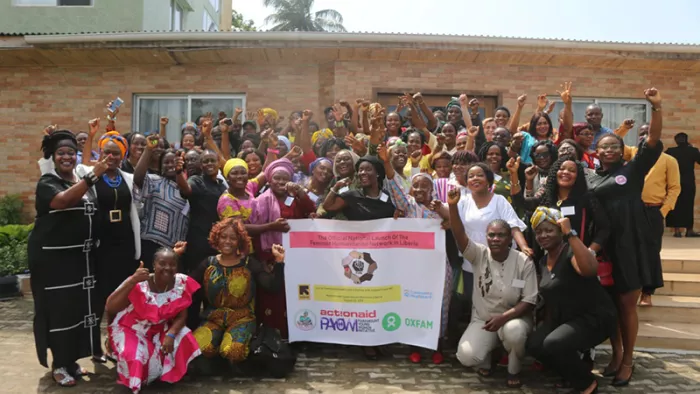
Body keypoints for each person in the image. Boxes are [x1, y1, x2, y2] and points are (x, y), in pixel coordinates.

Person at [586, 88, 664, 386]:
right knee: (609, 306)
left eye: (613, 147)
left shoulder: (633, 171)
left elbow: (653, 141)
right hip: (603, 248)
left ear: (622, 151)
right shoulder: (591, 177)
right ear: (596, 151)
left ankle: (628, 360)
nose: (608, 150)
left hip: (630, 245)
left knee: (626, 304)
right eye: (603, 147)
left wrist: (655, 108)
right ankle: (616, 354)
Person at [30, 131, 109, 387]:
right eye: (60, 153)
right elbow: (62, 202)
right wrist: (93, 175)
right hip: (55, 263)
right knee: (60, 312)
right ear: (52, 157)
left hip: (81, 260)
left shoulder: (78, 180)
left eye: (70, 153)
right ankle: (58, 365)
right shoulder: (48, 182)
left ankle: (71, 360)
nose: (66, 157)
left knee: (79, 311)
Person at [448, 189, 537, 389]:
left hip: (514, 319)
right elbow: (460, 235)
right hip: (484, 319)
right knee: (466, 356)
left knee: (514, 332)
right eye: (491, 235)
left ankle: (513, 369)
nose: (495, 239)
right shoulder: (479, 254)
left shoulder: (524, 262)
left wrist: (503, 318)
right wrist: (453, 207)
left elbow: (529, 300)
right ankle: (490, 354)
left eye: (501, 235)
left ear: (510, 239)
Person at [526, 207, 616, 394]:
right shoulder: (543, 261)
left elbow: (590, 270)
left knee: (554, 343)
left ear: (560, 231)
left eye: (549, 230)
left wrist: (571, 234)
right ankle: (570, 372)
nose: (543, 235)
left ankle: (586, 383)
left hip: (594, 317)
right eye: (539, 232)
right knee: (534, 345)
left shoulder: (571, 252)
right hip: (565, 317)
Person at [379, 144, 451, 365]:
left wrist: (441, 210)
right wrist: (385, 161)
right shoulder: (407, 206)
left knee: (438, 304)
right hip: (412, 266)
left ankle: (437, 346)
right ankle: (415, 346)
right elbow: (394, 186)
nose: (419, 189)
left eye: (424, 186)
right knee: (413, 303)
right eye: (416, 186)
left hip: (437, 265)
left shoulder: (440, 205)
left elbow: (453, 221)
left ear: (432, 190)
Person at [106, 244, 200, 394]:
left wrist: (171, 334)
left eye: (172, 264)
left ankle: (160, 375)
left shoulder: (180, 283)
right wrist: (132, 281)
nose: (167, 268)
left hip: (158, 330)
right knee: (137, 357)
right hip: (131, 329)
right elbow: (110, 307)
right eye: (162, 263)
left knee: (184, 335)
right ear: (154, 265)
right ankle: (130, 378)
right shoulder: (139, 282)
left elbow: (182, 316)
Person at [192, 219, 285, 366]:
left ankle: (226, 353)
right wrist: (176, 257)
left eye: (233, 238)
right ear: (217, 238)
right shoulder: (208, 263)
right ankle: (215, 352)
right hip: (213, 317)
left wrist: (279, 262)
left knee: (233, 351)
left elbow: (272, 286)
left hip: (242, 317)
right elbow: (188, 286)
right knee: (198, 348)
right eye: (223, 237)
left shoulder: (249, 263)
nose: (227, 241)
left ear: (240, 241)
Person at [250, 158, 316, 339]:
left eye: (284, 178)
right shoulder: (260, 201)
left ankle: (297, 333)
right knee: (273, 297)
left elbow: (310, 209)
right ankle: (272, 337)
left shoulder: (294, 199)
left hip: (296, 257)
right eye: (276, 178)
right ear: (269, 180)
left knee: (294, 296)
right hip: (270, 259)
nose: (280, 182)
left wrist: (301, 193)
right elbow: (256, 233)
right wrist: (264, 259)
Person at [617, 124, 681, 306]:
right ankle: (633, 288)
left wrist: (663, 211)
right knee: (630, 248)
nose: (644, 137)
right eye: (641, 134)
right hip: (632, 210)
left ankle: (647, 292)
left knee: (651, 251)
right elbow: (615, 144)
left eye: (648, 133)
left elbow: (675, 188)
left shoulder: (669, 160)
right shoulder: (632, 154)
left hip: (654, 210)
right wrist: (623, 129)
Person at [134, 136, 189, 270]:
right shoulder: (154, 181)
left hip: (175, 250)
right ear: (161, 166)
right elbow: (138, 177)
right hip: (150, 245)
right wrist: (148, 149)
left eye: (174, 162)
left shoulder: (187, 187)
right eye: (166, 162)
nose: (170, 165)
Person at [665, 132, 700, 237]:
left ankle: (677, 231)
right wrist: (691, 148)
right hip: (688, 182)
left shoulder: (670, 151)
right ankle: (689, 230)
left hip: (673, 181)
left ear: (676, 140)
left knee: (674, 205)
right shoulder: (693, 151)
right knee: (688, 205)